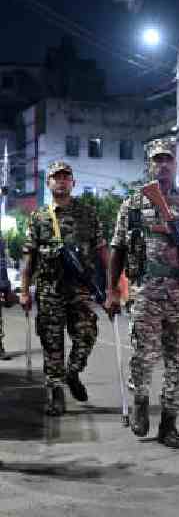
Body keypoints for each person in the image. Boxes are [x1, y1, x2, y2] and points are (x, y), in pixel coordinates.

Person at [106, 138, 179, 448]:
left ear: (176, 164)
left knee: (178, 363)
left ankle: (169, 424)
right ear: (148, 164)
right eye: (157, 159)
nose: (163, 164)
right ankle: (139, 401)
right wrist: (112, 290)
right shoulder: (133, 204)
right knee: (143, 357)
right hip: (146, 292)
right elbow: (118, 249)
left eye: (168, 159)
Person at [19, 161, 109, 415]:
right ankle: (55, 391)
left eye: (65, 177)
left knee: (87, 334)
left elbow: (102, 250)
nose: (61, 181)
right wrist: (25, 291)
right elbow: (29, 258)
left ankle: (72, 372)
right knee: (52, 342)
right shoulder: (39, 217)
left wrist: (114, 286)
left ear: (73, 183)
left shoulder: (87, 213)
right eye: (55, 177)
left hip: (79, 289)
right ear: (48, 183)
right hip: (49, 290)